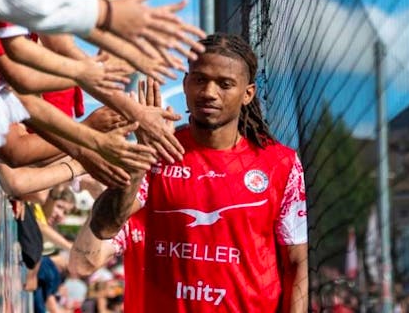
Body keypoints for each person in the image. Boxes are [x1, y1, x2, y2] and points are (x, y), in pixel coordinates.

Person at [86, 33, 309, 312]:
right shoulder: (157, 155)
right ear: (185, 83)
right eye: (200, 79)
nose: (209, 92)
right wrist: (140, 155)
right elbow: (105, 225)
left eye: (225, 84)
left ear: (247, 93)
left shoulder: (281, 163)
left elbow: (297, 263)